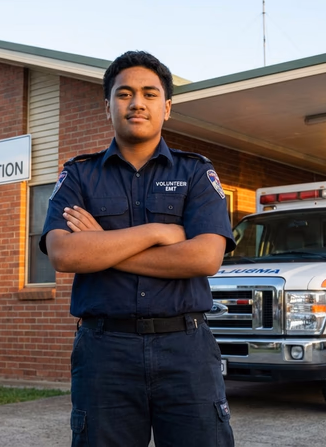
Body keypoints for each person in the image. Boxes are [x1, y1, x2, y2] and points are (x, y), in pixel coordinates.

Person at [39, 51, 236, 446]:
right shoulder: (79, 174)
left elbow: (205, 257)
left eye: (149, 93)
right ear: (107, 106)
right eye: (124, 93)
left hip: (186, 350)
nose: (137, 102)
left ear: (166, 108)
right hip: (105, 352)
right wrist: (157, 231)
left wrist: (103, 247)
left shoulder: (196, 172)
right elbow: (64, 254)